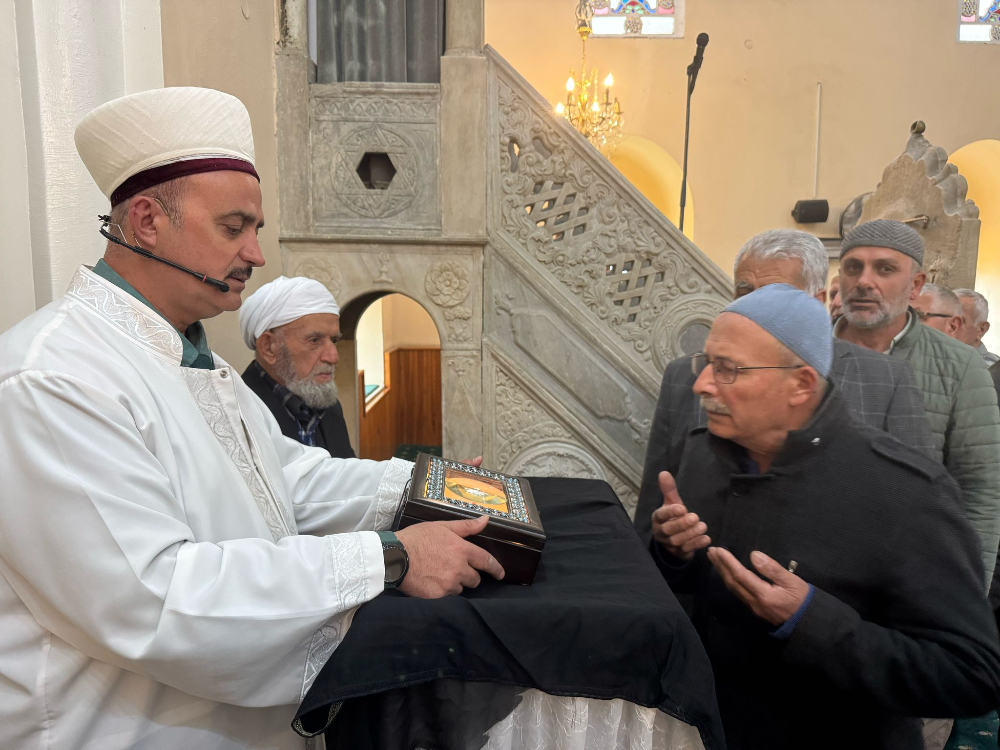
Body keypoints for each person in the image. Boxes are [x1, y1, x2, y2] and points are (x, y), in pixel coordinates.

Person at [0, 87, 504, 750]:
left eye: (256, 229)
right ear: (147, 221)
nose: (256, 254)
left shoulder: (196, 361)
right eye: (234, 227)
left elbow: (290, 480)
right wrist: (389, 556)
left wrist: (435, 487)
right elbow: (156, 599)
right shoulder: (54, 377)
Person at [651, 284, 1000, 750]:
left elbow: (970, 675)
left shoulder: (906, 492)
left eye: (728, 369)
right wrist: (674, 552)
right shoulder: (702, 451)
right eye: (706, 362)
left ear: (801, 384)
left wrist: (809, 621)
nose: (701, 385)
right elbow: (701, 590)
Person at [635, 229, 933, 543]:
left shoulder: (885, 379)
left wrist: (818, 578)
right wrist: (668, 551)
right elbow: (656, 504)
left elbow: (914, 514)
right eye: (744, 291)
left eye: (776, 292)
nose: (754, 304)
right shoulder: (687, 374)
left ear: (816, 300)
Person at [835, 219, 1000, 589]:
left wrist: (967, 594)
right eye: (853, 267)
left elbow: (979, 489)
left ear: (915, 285)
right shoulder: (805, 351)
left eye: (885, 269)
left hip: (909, 574)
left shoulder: (960, 366)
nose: (864, 281)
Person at [239, 275, 355, 457]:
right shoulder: (238, 414)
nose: (333, 357)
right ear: (269, 347)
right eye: (314, 340)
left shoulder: (328, 405)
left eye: (333, 340)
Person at [954, 288, 999, 365]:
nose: (947, 328)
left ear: (982, 329)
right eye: (944, 320)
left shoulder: (993, 369)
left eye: (958, 322)